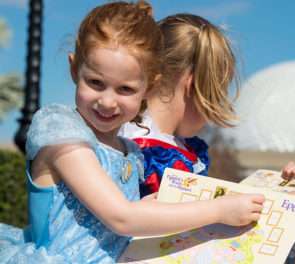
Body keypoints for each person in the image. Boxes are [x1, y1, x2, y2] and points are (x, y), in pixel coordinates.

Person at [0, 2, 265, 263]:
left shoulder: (130, 151)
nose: (107, 101)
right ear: (74, 68)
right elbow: (122, 217)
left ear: (149, 88)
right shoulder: (61, 132)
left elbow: (139, 216)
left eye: (124, 89)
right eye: (95, 82)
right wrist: (218, 209)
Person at [119, 13, 295, 221]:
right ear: (194, 85)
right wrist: (292, 208)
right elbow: (190, 233)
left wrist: (282, 193)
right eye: (215, 93)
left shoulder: (146, 141)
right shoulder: (146, 152)